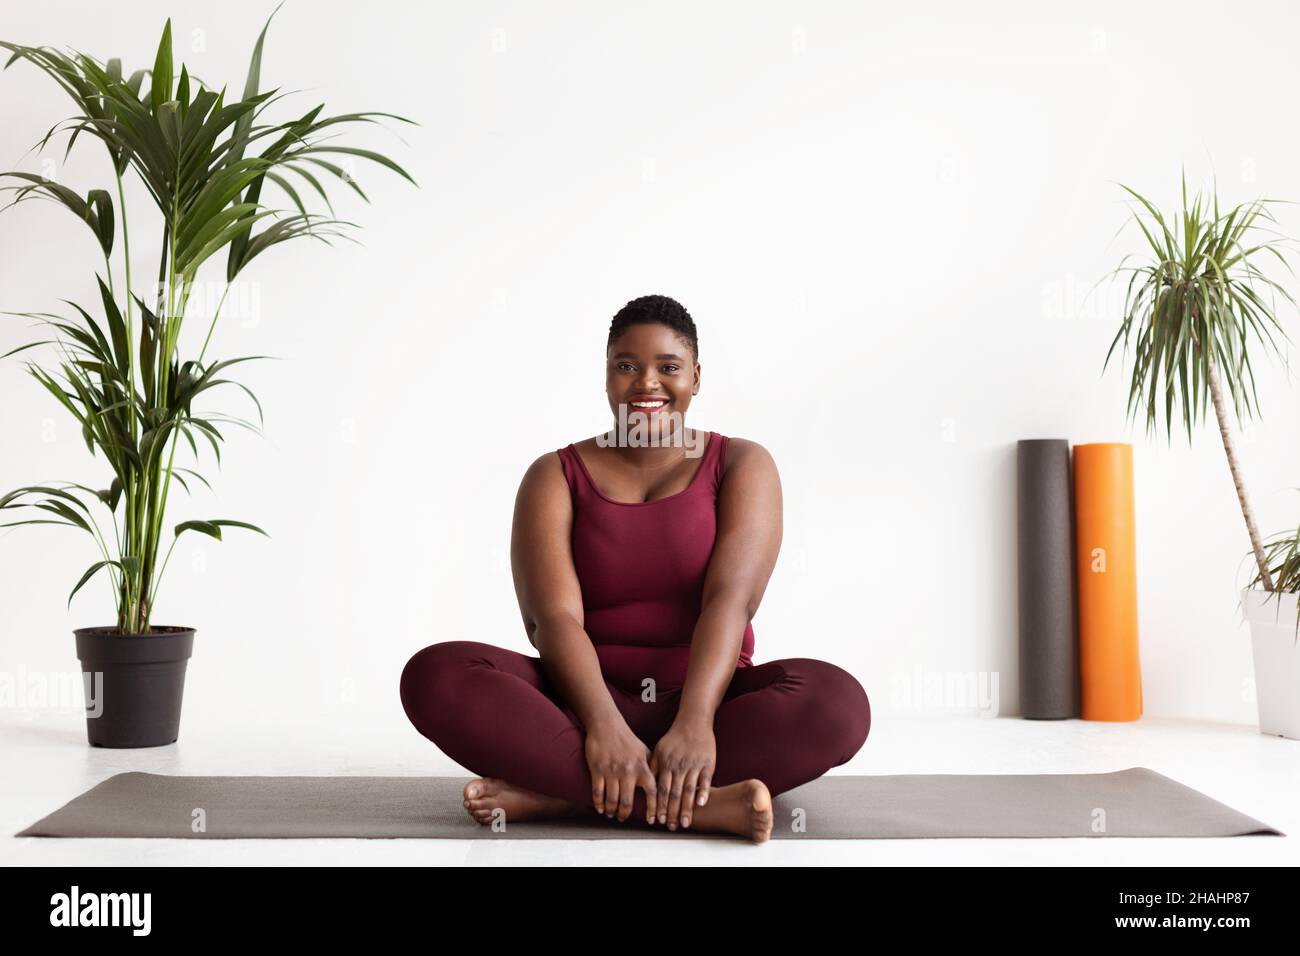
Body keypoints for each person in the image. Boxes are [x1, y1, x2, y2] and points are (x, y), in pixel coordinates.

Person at [400, 294, 871, 842]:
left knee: (838, 705)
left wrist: (695, 723)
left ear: (695, 378)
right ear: (606, 375)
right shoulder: (554, 475)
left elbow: (730, 602)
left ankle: (562, 798)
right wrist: (603, 727)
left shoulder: (742, 463)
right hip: (579, 705)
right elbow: (552, 622)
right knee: (435, 676)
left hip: (710, 701)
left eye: (668, 368)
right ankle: (702, 808)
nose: (647, 383)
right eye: (627, 366)